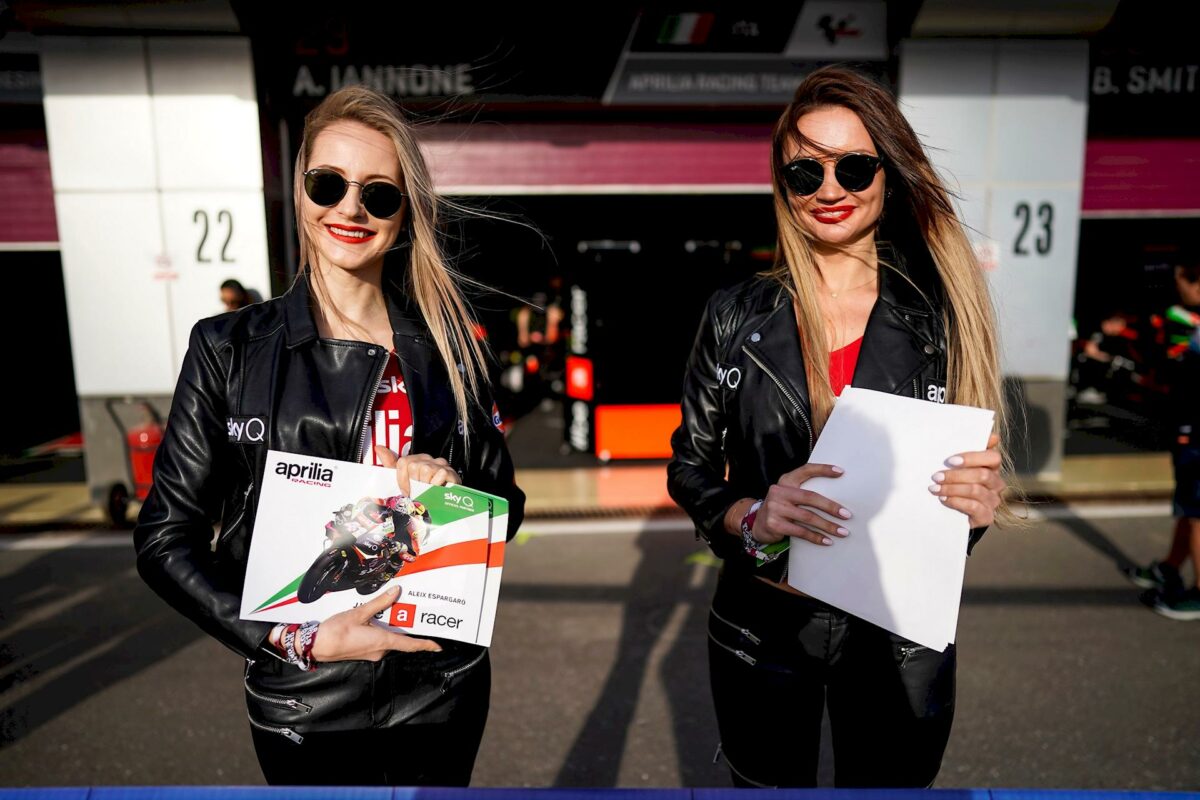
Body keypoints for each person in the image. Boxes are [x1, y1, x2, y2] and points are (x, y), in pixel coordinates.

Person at [134, 85, 524, 786]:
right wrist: (293, 636)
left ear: (404, 215)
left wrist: (454, 492)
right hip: (304, 697)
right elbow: (166, 538)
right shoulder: (229, 347)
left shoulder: (450, 346)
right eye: (329, 183)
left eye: (378, 195)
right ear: (300, 190)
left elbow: (505, 509)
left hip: (442, 687)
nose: (350, 207)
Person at [667, 65, 1009, 788]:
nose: (830, 189)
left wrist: (974, 511)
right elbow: (689, 465)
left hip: (896, 638)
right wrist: (750, 516)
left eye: (854, 167)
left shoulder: (943, 318)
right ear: (781, 182)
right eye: (805, 171)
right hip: (764, 625)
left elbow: (953, 509)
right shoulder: (735, 313)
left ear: (887, 176)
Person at [1124, 259, 1200, 620]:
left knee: (1197, 511)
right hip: (1187, 427)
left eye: (1181, 279)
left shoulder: (1180, 322)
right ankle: (1170, 566)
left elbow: (1176, 366)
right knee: (1189, 506)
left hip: (1194, 430)